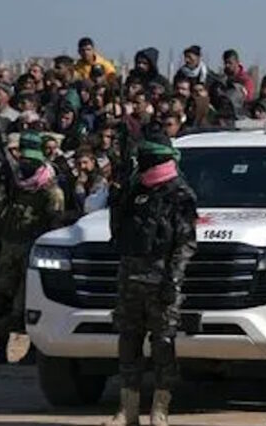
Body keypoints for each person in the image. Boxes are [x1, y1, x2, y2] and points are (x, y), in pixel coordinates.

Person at [103, 124, 198, 426]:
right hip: (130, 279)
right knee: (128, 344)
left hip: (161, 281)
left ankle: (160, 410)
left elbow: (185, 243)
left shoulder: (179, 194)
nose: (140, 162)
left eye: (145, 157)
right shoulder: (135, 189)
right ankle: (127, 410)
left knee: (163, 346)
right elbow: (118, 233)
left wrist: (174, 280)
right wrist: (116, 198)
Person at [0, 133, 65, 366]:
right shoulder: (15, 185)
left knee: (31, 302)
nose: (25, 165)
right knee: (2, 300)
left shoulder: (50, 191)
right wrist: (0, 186)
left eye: (31, 161)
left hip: (33, 252)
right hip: (10, 247)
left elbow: (55, 226)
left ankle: (33, 350)